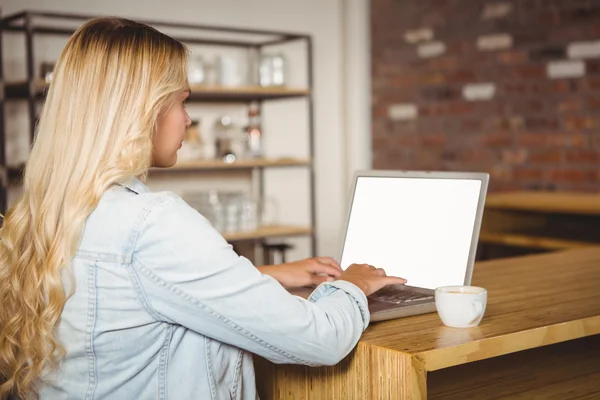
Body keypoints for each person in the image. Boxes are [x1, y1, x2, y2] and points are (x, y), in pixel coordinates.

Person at [0, 17, 406, 400]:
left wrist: (265, 275)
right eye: (181, 102)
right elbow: (320, 338)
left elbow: (132, 292)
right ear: (142, 110)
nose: (188, 120)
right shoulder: (151, 224)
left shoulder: (46, 211)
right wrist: (353, 284)